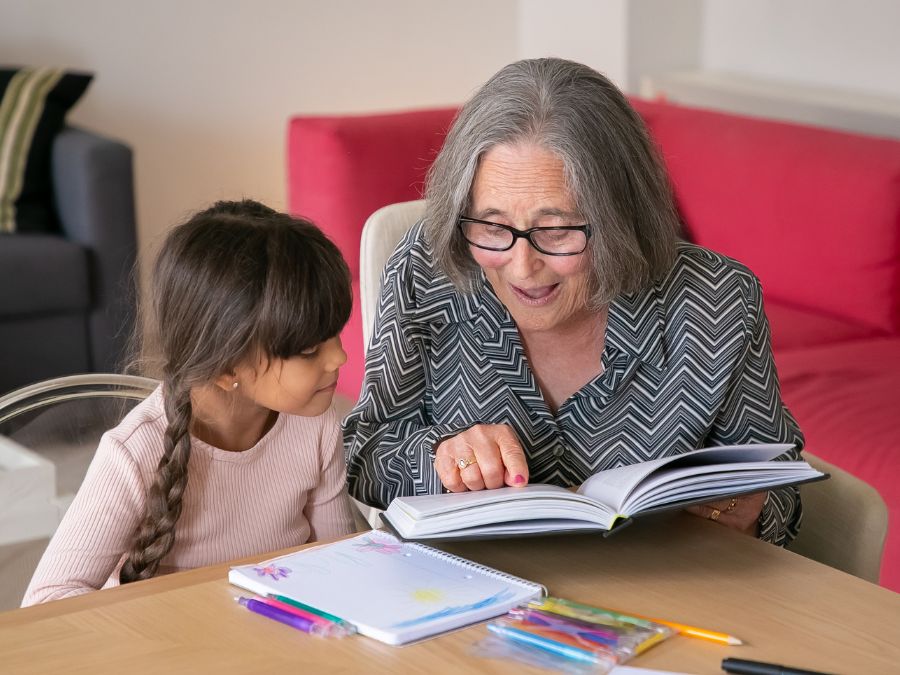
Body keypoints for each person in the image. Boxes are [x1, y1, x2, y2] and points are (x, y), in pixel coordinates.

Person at [344, 58, 804, 546]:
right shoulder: (429, 268)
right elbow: (365, 451)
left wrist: (746, 508)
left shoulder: (717, 300)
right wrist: (440, 456)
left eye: (557, 231)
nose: (521, 267)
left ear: (621, 219)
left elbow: (779, 480)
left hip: (661, 594)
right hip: (469, 590)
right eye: (493, 227)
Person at [23, 200, 357, 605]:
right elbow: (45, 604)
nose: (338, 358)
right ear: (226, 367)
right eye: (308, 349)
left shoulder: (315, 423)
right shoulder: (135, 453)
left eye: (335, 333)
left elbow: (342, 565)